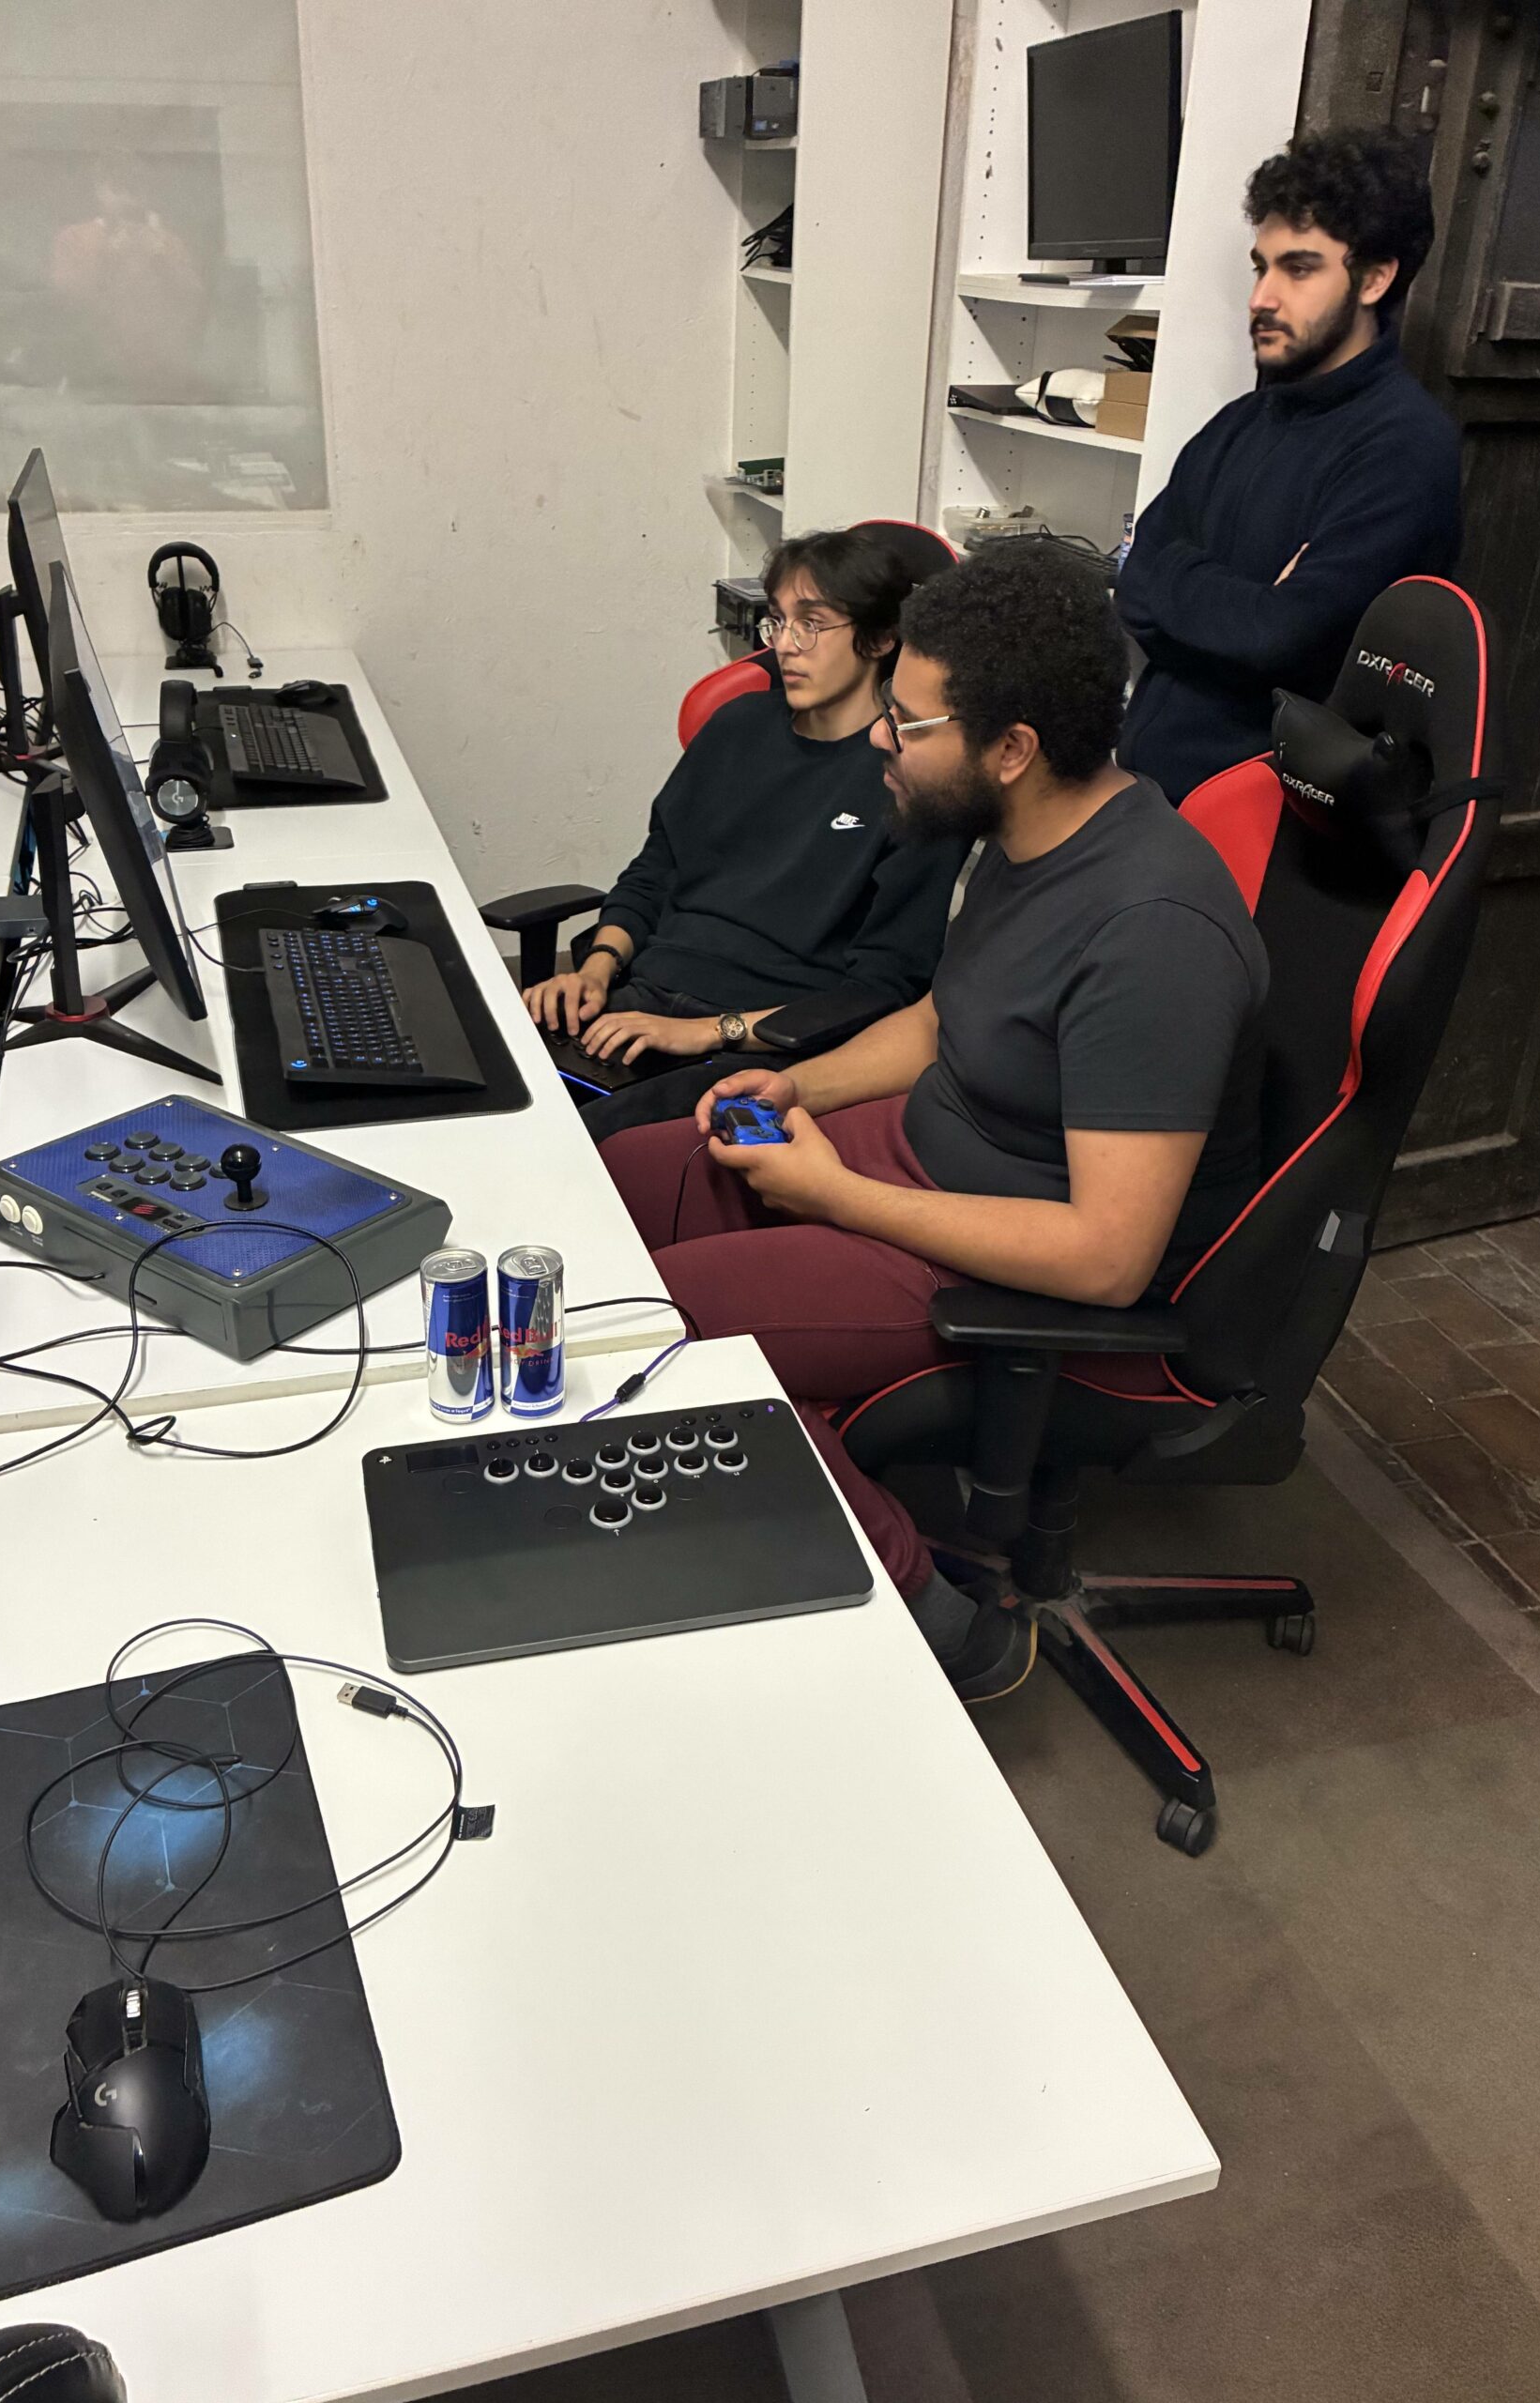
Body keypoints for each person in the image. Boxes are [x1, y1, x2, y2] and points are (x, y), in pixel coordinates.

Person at [601, 545, 1269, 1698]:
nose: (879, 738)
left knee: (666, 1335)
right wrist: (799, 1089)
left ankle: (944, 1623)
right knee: (618, 1178)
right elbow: (938, 1018)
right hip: (917, 1153)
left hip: (1007, 1248)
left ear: (1012, 748)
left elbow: (1108, 1258)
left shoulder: (1153, 932)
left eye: (907, 724)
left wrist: (837, 1197)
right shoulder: (1024, 836)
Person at [522, 528, 967, 1138]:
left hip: (762, 1040)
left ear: (881, 637)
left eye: (812, 624)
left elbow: (884, 988)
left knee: (576, 1143)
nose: (784, 644)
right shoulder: (737, 726)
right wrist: (595, 971)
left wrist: (710, 1031)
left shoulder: (913, 777)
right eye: (777, 622)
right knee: (484, 1074)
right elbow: (655, 871)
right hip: (641, 998)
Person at [1117, 127, 1461, 804]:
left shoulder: (1405, 447)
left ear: (1375, 277)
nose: (1262, 298)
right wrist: (1236, 602)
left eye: (1298, 269)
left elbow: (1282, 640)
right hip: (1148, 796)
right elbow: (1134, 581)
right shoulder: (1240, 423)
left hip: (1265, 826)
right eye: (1261, 267)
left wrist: (1179, 578)